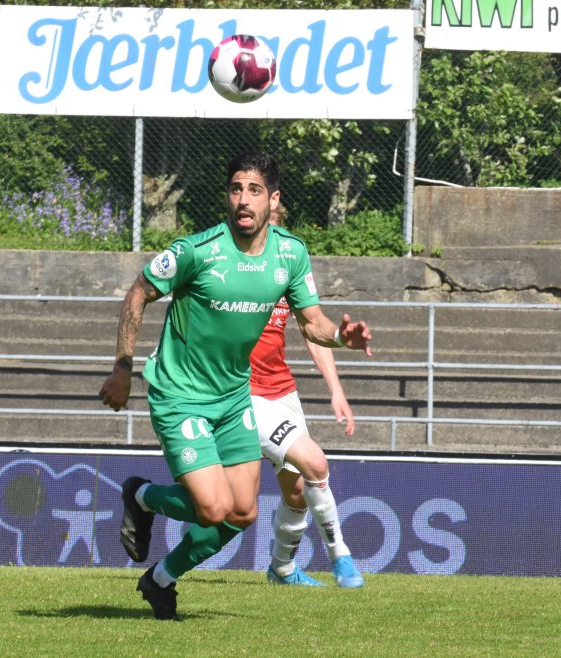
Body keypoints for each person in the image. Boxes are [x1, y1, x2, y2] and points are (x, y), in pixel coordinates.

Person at [99, 152, 372, 621]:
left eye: (255, 190)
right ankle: (140, 495)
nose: (243, 199)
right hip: (181, 394)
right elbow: (138, 291)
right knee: (213, 508)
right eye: (236, 189)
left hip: (233, 397)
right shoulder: (197, 251)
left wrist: (340, 338)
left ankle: (159, 579)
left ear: (273, 199)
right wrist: (122, 368)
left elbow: (313, 323)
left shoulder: (290, 253)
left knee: (242, 513)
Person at [252, 203, 364, 588]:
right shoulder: (233, 271)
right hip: (245, 394)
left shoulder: (287, 267)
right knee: (314, 463)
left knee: (297, 491)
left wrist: (336, 390)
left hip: (281, 390)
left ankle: (281, 569)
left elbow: (312, 329)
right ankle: (341, 555)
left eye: (275, 227)